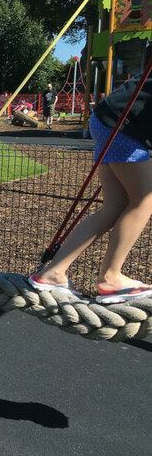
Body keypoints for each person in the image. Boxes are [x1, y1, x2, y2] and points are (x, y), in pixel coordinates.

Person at [29, 73, 152, 304]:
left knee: (114, 207)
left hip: (109, 120)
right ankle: (111, 277)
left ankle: (54, 272)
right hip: (122, 127)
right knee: (144, 200)